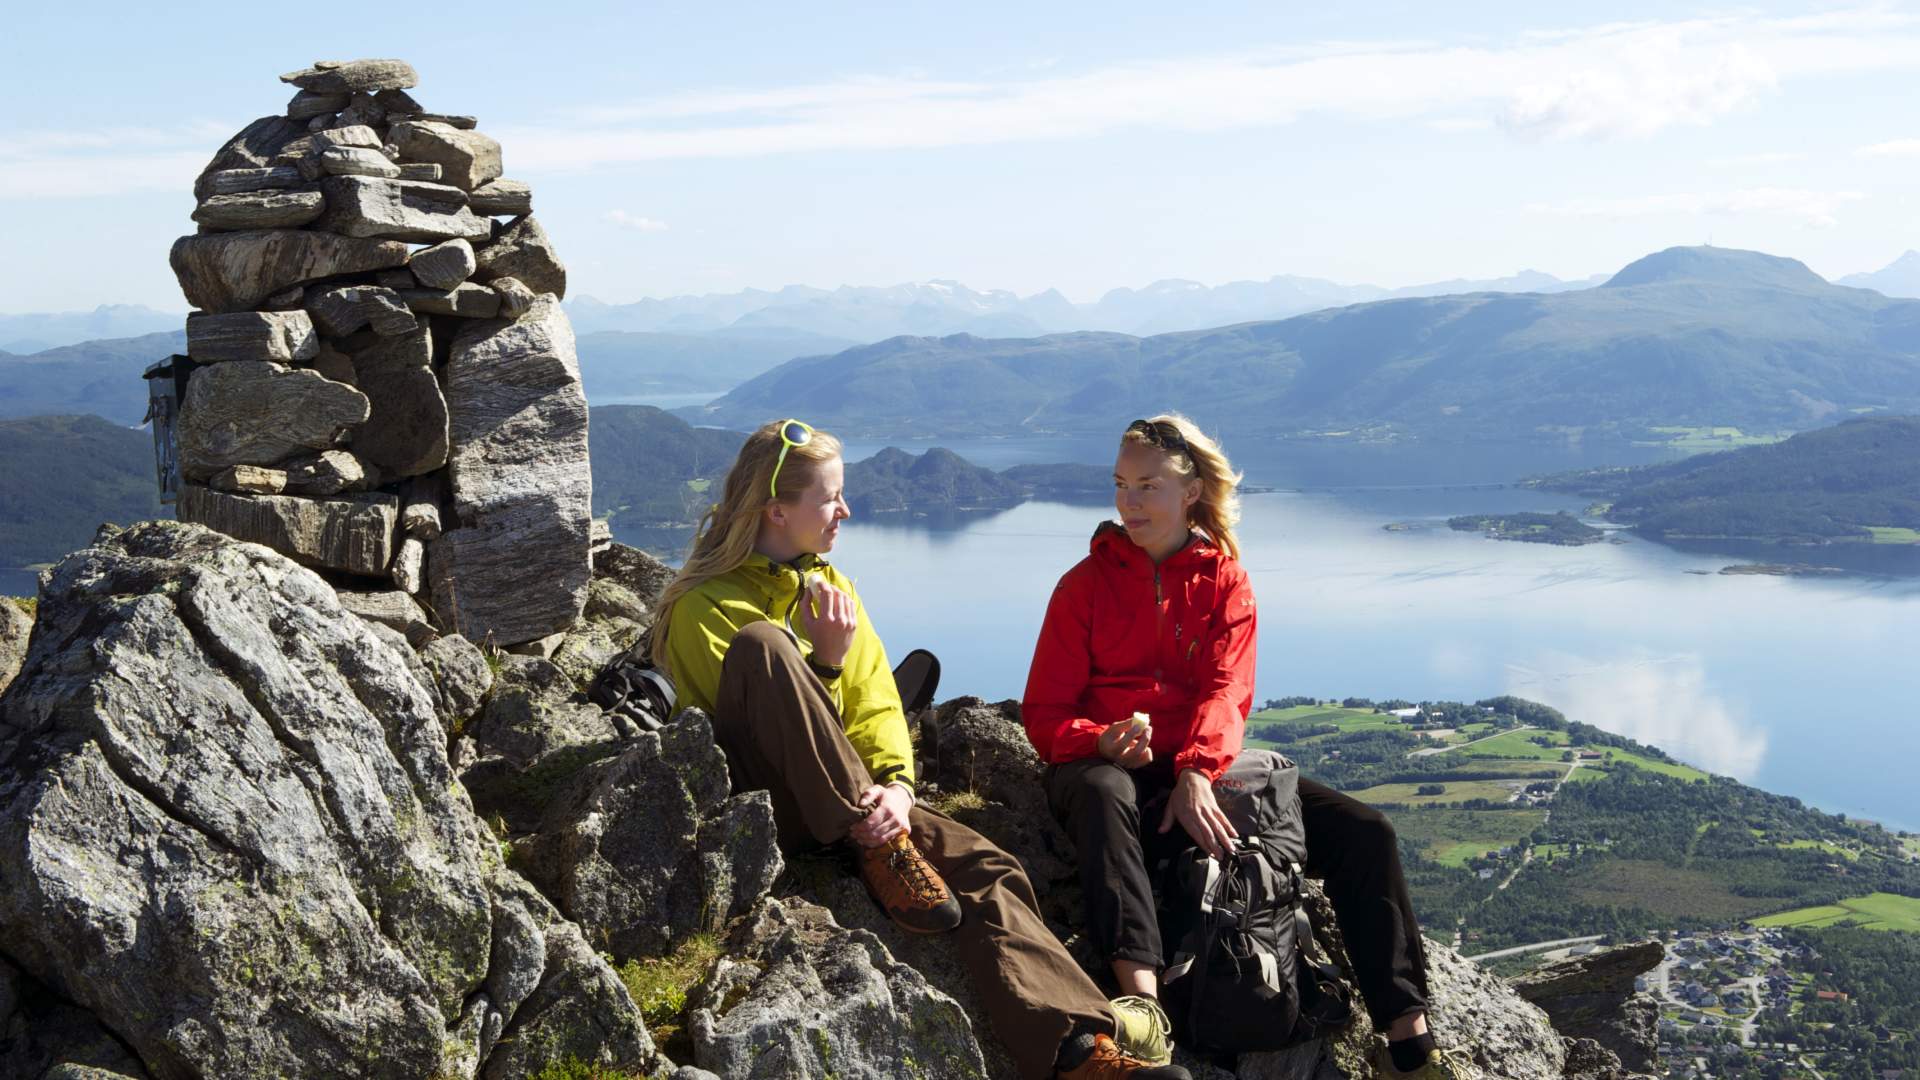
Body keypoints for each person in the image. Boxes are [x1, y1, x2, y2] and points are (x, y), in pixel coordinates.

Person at [652, 418, 1192, 1080]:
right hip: (776, 807)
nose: (845, 510)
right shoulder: (705, 607)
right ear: (777, 510)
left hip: (862, 809)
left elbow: (880, 705)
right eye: (830, 498)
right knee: (765, 647)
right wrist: (823, 663)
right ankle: (878, 843)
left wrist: (898, 792)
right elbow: (766, 732)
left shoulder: (833, 588)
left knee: (989, 869)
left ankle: (1084, 1056)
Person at [1021, 415, 1475, 1080]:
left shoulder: (1224, 581)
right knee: (1101, 790)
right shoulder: (1082, 586)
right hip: (1106, 771)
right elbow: (1044, 715)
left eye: (1147, 486)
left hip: (1198, 770)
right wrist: (1099, 741)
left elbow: (1227, 691)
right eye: (1121, 485)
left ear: (1191, 492)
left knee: (1364, 833)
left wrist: (1196, 772)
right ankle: (1143, 1014)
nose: (1129, 501)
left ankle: (1410, 1044)